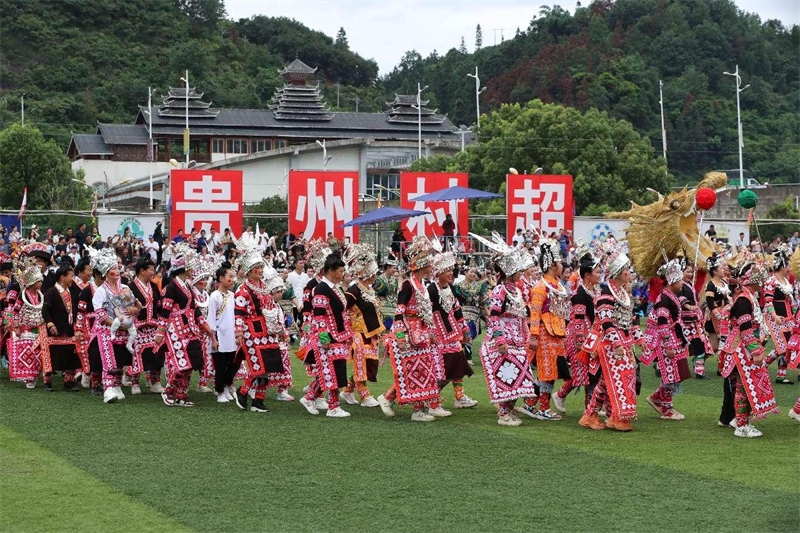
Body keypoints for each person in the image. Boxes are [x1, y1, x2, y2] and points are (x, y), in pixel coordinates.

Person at [468, 233, 537, 426]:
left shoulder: (517, 290)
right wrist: (499, 340)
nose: (521, 274)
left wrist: (527, 336)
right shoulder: (500, 290)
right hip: (502, 341)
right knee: (508, 376)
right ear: (509, 271)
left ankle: (508, 410)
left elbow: (521, 317)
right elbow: (495, 315)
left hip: (517, 340)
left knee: (521, 377)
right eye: (518, 271)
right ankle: (504, 414)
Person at [376, 237, 442, 422]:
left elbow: (426, 314)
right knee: (412, 371)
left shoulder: (423, 286)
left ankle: (402, 403)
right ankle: (414, 409)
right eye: (429, 265)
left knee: (422, 371)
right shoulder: (408, 285)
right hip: (408, 334)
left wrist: (431, 334)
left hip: (421, 333)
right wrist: (400, 336)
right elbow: (399, 312)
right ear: (421, 266)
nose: (432, 268)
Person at [579, 244, 644, 432]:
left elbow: (630, 321)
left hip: (621, 342)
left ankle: (591, 415)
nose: (629, 273)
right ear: (618, 272)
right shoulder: (606, 293)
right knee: (620, 378)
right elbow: (606, 320)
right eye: (626, 270)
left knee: (607, 380)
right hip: (609, 342)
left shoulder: (622, 293)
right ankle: (615, 417)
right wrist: (616, 343)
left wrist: (640, 339)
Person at [721, 257, 779, 437]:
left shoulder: (747, 297)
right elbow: (745, 328)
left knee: (744, 386)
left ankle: (740, 420)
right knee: (742, 386)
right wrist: (755, 351)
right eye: (760, 278)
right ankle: (741, 425)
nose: (763, 282)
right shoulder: (744, 300)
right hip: (742, 348)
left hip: (741, 346)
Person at [233, 237, 291, 413]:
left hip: (268, 330)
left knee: (269, 365)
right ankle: (242, 391)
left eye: (261, 267)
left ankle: (259, 400)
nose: (259, 270)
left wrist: (279, 329)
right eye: (256, 268)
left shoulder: (264, 287)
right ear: (249, 270)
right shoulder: (243, 290)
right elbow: (239, 314)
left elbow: (271, 307)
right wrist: (239, 333)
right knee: (258, 366)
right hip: (252, 331)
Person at [298, 253, 353, 418]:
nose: (343, 274)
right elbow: (319, 315)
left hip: (338, 336)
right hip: (328, 337)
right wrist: (324, 337)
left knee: (334, 371)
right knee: (332, 372)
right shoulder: (322, 288)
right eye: (341, 271)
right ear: (331, 270)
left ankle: (310, 398)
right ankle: (333, 407)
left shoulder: (334, 287)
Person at [521, 239, 570, 421]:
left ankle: (530, 405)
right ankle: (543, 407)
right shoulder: (541, 286)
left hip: (555, 334)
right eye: (558, 263)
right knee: (546, 372)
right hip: (543, 333)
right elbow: (535, 312)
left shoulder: (556, 285)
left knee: (551, 372)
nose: (561, 265)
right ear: (551, 265)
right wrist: (533, 335)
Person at [156, 244, 208, 407]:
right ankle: (168, 391)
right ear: (184, 269)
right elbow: (165, 311)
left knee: (192, 362)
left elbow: (195, 309)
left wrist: (204, 326)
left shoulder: (187, 286)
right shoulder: (170, 287)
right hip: (175, 329)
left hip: (190, 328)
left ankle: (182, 395)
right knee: (181, 364)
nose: (193, 270)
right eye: (191, 267)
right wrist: (160, 331)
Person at [90, 250, 141, 403]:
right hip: (107, 330)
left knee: (121, 359)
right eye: (114, 268)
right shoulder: (100, 291)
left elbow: (136, 307)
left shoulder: (124, 287)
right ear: (106, 272)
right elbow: (100, 316)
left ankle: (117, 386)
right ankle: (108, 389)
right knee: (109, 360)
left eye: (118, 268)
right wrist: (117, 325)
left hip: (124, 329)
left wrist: (134, 309)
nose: (118, 271)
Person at [428, 250, 477, 411]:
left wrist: (464, 330)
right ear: (438, 272)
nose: (451, 273)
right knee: (444, 367)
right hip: (437, 334)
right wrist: (430, 333)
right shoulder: (432, 290)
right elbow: (426, 312)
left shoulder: (450, 288)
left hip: (451, 333)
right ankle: (432, 396)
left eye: (451, 269)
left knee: (456, 363)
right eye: (447, 270)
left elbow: (457, 310)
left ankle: (459, 396)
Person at [643, 259, 690, 421]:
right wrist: (669, 345)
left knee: (677, 374)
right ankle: (666, 409)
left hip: (674, 341)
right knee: (670, 375)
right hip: (666, 343)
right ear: (672, 281)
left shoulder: (670, 296)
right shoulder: (663, 299)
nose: (682, 283)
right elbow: (662, 325)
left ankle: (657, 398)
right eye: (680, 280)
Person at [555, 250, 601, 411]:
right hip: (580, 338)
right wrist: (582, 342)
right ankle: (584, 404)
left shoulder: (594, 291)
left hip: (592, 336)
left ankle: (590, 404)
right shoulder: (580, 294)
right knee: (585, 373)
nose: (599, 275)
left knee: (592, 372)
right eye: (597, 272)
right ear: (588, 275)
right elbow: (579, 320)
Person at [340, 244, 384, 408]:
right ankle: (364, 394)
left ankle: (348, 390)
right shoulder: (353, 291)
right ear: (367, 274)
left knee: (367, 362)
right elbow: (342, 309)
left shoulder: (369, 289)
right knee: (361, 362)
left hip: (371, 332)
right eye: (374, 273)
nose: (375, 275)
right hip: (358, 332)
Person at [41, 264, 81, 393]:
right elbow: (45, 310)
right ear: (62, 277)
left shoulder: (72, 292)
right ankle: (47, 382)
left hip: (69, 329)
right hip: (54, 329)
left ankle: (68, 382)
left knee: (71, 355)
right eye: (71, 276)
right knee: (51, 355)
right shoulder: (51, 292)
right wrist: (50, 324)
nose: (73, 279)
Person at [8, 258, 47, 389]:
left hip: (39, 328)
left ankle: (35, 375)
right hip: (26, 329)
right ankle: (29, 377)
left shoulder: (40, 295)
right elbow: (14, 312)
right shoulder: (21, 296)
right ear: (31, 282)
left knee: (38, 354)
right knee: (28, 352)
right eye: (38, 281)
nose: (41, 283)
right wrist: (16, 327)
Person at [127, 257, 164, 395]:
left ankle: (155, 382)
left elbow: (159, 305)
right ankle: (135, 382)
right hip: (137, 327)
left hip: (153, 326)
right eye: (151, 270)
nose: (153, 272)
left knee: (157, 353)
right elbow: (124, 307)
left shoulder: (154, 287)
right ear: (142, 271)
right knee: (136, 354)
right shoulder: (130, 287)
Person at [763, 244, 796, 384]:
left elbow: (790, 299)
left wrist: (795, 314)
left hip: (787, 316)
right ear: (782, 267)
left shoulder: (786, 281)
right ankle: (763, 365)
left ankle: (781, 374)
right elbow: (768, 301)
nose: (789, 269)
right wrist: (775, 316)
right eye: (788, 266)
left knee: (788, 346)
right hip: (775, 317)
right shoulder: (771, 281)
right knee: (782, 347)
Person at [207, 266, 238, 403]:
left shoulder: (233, 296)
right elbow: (211, 319)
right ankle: (219, 391)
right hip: (219, 336)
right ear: (221, 279)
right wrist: (213, 338)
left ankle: (226, 385)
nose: (232, 280)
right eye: (229, 276)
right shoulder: (214, 296)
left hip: (231, 337)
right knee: (220, 365)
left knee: (233, 363)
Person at [454, 267, 489, 365]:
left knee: (472, 334)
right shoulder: (458, 286)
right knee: (467, 333)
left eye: (475, 272)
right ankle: (467, 357)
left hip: (475, 313)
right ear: (465, 273)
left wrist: (487, 312)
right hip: (462, 313)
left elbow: (483, 300)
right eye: (471, 272)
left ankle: (463, 355)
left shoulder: (479, 286)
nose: (473, 274)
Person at [704, 252, 730, 373]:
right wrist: (719, 315)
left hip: (725, 313)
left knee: (725, 342)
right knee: (714, 347)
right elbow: (710, 302)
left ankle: (722, 367)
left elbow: (728, 298)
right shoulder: (710, 285)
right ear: (714, 271)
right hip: (714, 316)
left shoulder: (724, 283)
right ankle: (699, 359)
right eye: (720, 268)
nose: (723, 269)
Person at [373, 257, 399, 331]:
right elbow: (376, 294)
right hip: (383, 309)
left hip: (393, 308)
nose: (395, 270)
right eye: (394, 268)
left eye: (396, 268)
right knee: (384, 330)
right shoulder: (379, 279)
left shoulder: (394, 279)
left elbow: (395, 293)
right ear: (388, 267)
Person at [286, 259, 309, 328]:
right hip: (293, 303)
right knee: (291, 322)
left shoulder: (305, 276)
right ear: (295, 265)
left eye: (303, 263)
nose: (302, 265)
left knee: (303, 321)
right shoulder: (290, 275)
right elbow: (288, 289)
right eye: (300, 263)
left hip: (302, 302)